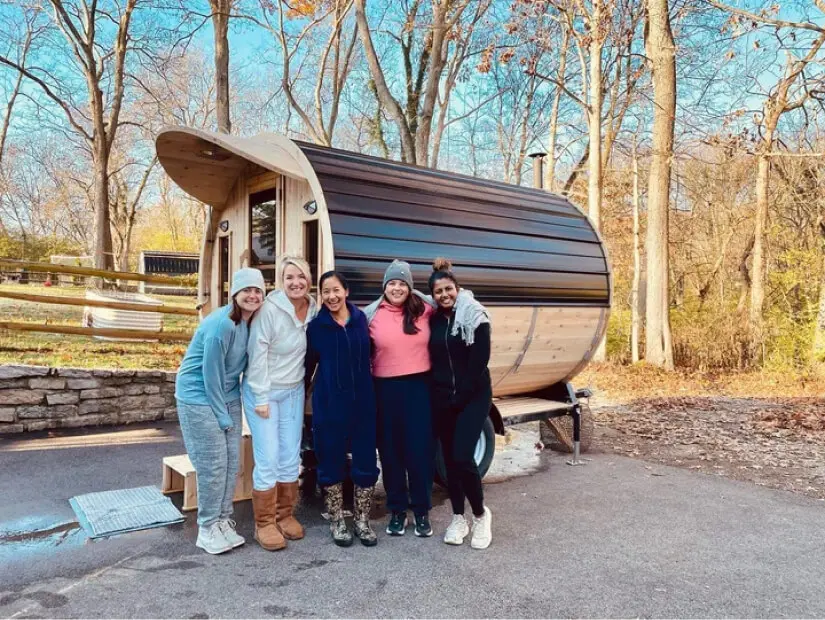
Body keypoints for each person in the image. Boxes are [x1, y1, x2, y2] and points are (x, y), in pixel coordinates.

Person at [175, 267, 265, 555]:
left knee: (230, 461)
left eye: (257, 290)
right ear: (234, 294)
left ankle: (223, 520)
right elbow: (210, 375)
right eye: (246, 290)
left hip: (228, 394)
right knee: (212, 464)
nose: (252, 295)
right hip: (199, 396)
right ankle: (206, 527)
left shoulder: (252, 323)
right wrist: (223, 416)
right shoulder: (221, 325)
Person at [244, 256, 317, 551]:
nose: (295, 282)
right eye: (289, 277)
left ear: (309, 280)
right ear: (280, 281)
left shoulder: (313, 308)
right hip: (264, 391)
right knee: (269, 456)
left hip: (293, 390)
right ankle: (264, 524)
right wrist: (260, 397)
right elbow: (256, 355)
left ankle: (284, 515)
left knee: (290, 455)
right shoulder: (269, 311)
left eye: (300, 276)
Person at [305, 271, 380, 547]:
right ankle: (337, 519)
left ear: (346, 291)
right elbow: (307, 367)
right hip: (329, 404)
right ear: (321, 295)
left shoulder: (361, 321)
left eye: (336, 290)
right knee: (331, 459)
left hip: (362, 402)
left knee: (365, 461)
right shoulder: (316, 328)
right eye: (326, 291)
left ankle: (362, 519)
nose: (331, 296)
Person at [364, 259, 436, 538]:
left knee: (419, 452)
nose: (396, 288)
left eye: (402, 283)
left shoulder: (425, 308)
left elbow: (457, 300)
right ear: (384, 287)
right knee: (391, 453)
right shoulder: (372, 313)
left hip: (419, 387)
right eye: (391, 283)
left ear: (409, 287)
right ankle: (397, 510)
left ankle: (421, 511)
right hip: (384, 389)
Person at [428, 258, 494, 549]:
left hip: (473, 396)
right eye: (438, 291)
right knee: (449, 461)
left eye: (448, 289)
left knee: (462, 456)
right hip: (443, 397)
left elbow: (480, 361)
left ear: (457, 288)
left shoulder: (474, 315)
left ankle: (480, 515)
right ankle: (458, 517)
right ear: (432, 295)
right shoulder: (432, 319)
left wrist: (461, 397)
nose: (444, 295)